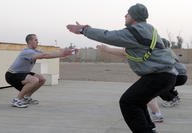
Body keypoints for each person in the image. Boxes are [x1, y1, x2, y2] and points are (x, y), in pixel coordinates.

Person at [67, 3, 177, 133]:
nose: (125, 16)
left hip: (159, 76)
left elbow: (108, 36)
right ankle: (149, 130)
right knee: (138, 101)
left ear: (134, 17)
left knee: (128, 102)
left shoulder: (135, 31)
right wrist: (88, 29)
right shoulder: (149, 29)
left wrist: (84, 30)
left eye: (128, 14)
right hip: (166, 75)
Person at [97, 44, 164, 123]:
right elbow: (123, 54)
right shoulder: (146, 50)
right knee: (147, 96)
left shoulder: (139, 50)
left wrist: (107, 49)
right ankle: (156, 115)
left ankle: (156, 115)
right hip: (156, 76)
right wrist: (108, 50)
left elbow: (123, 52)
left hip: (154, 76)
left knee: (138, 98)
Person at [5, 34, 75, 108]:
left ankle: (26, 97)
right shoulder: (27, 52)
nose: (37, 42)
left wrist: (63, 53)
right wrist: (63, 54)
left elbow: (48, 54)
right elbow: (44, 56)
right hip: (12, 75)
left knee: (42, 79)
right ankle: (17, 100)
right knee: (34, 80)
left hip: (22, 73)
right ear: (29, 41)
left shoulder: (34, 51)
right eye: (35, 40)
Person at [159, 38, 188, 107]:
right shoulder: (170, 51)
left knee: (159, 87)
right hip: (183, 75)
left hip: (177, 75)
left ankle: (171, 100)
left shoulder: (163, 52)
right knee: (169, 86)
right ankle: (175, 97)